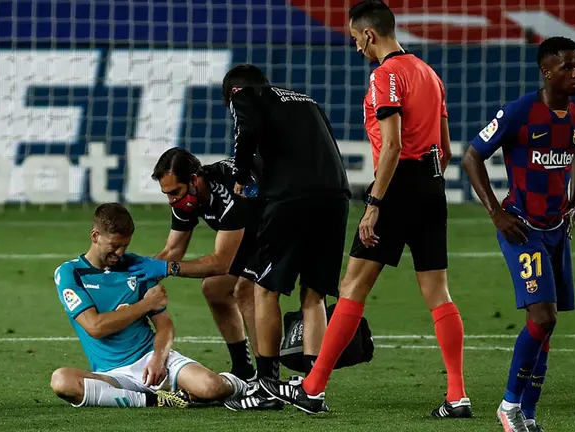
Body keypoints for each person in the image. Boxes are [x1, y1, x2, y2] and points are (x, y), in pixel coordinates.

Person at [259, 0, 470, 417]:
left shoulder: (384, 76)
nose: (357, 47)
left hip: (396, 186)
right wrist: (426, 184)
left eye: (356, 39)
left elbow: (391, 145)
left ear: (370, 34)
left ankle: (313, 389)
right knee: (438, 293)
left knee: (353, 286)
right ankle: (457, 396)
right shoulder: (430, 74)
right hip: (432, 185)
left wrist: (375, 203)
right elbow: (445, 149)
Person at [462, 36, 575, 432]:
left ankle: (528, 415)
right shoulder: (520, 112)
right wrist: (496, 213)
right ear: (547, 71)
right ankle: (508, 405)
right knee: (543, 315)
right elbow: (471, 156)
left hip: (555, 230)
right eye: (568, 67)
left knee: (548, 324)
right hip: (522, 228)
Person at [220, 63, 351, 411]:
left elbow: (245, 132)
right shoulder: (307, 101)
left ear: (233, 92)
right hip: (336, 197)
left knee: (265, 290)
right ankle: (313, 388)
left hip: (292, 199)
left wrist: (241, 173)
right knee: (314, 293)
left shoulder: (245, 95)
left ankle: (265, 386)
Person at [50, 203, 247, 409]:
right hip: (112, 375)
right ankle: (155, 400)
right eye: (114, 245)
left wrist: (158, 359)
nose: (119, 252)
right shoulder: (70, 273)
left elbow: (165, 326)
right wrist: (146, 304)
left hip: (151, 360)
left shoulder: (137, 266)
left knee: (211, 387)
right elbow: (95, 327)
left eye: (124, 246)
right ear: (95, 236)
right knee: (62, 381)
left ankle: (242, 386)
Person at [128, 148, 263, 385]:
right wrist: (135, 281)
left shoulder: (228, 191)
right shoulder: (185, 199)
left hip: (280, 231)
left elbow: (221, 262)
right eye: (166, 194)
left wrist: (169, 269)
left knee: (245, 291)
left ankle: (266, 379)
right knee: (214, 289)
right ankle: (244, 370)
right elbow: (172, 251)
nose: (171, 200)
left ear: (193, 180)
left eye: (174, 192)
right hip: (250, 237)